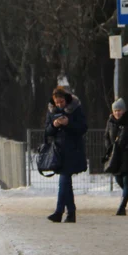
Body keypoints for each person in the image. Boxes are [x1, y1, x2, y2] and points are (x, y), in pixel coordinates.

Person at [44, 87, 88, 222]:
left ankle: (59, 211)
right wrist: (54, 125)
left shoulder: (75, 108)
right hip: (59, 151)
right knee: (66, 182)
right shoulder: (52, 110)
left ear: (66, 99)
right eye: (57, 102)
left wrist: (68, 123)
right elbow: (47, 131)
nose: (59, 105)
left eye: (61, 102)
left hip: (73, 150)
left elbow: (83, 127)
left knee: (64, 180)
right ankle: (71, 212)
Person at [103, 99, 128, 216]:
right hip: (116, 156)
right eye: (115, 110)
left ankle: (122, 206)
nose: (117, 113)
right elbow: (106, 136)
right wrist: (109, 147)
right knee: (119, 180)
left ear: (124, 110)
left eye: (119, 110)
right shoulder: (110, 122)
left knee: (127, 182)